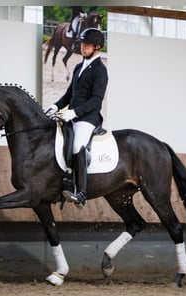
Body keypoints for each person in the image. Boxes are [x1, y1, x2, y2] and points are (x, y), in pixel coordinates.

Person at [43, 28, 108, 207]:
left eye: (86, 45)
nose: (82, 47)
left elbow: (96, 100)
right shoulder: (79, 66)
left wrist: (75, 112)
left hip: (88, 118)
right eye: (81, 44)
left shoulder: (100, 70)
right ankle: (64, 181)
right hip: (72, 116)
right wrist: (55, 106)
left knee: (78, 146)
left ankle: (81, 193)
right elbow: (70, 93)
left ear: (97, 47)